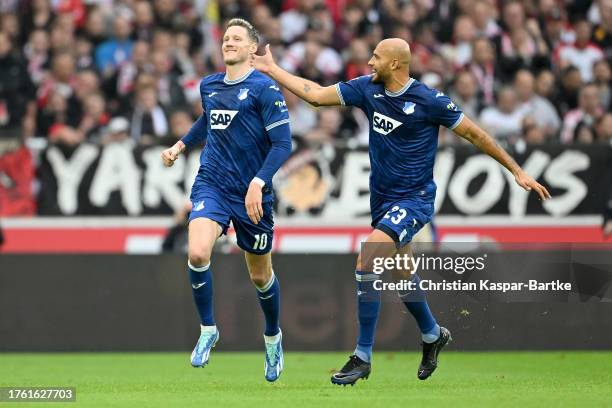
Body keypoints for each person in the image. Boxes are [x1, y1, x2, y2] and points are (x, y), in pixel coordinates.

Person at [252, 37, 550, 385]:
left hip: (414, 200)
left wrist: (516, 169)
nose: (368, 63)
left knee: (367, 259)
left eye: (375, 57)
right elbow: (316, 95)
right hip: (381, 200)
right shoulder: (367, 89)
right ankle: (432, 334)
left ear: (396, 63)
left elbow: (476, 135)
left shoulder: (428, 100)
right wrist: (273, 70)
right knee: (401, 273)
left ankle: (362, 356)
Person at [161, 18, 291, 382]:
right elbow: (208, 121)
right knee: (198, 252)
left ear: (253, 49)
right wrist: (181, 144)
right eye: (226, 38)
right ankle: (207, 329)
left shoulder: (266, 90)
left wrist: (258, 182)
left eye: (237, 38)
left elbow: (283, 144)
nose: (229, 42)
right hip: (213, 183)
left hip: (253, 193)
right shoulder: (210, 85)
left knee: (260, 275)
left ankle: (272, 337)